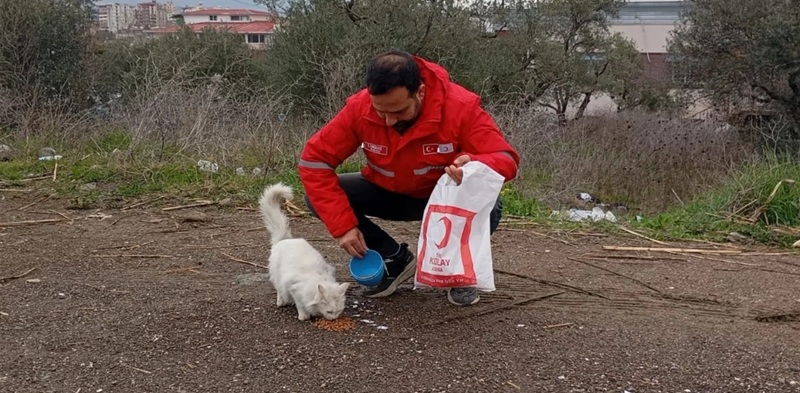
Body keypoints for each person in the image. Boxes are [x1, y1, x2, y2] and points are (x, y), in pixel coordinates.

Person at [298, 50, 520, 306]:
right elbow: (314, 161)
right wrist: (344, 226)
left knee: (490, 205)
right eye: (381, 112)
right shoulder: (359, 108)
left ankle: (456, 271)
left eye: (399, 111)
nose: (390, 121)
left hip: (442, 202)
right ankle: (395, 259)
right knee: (318, 200)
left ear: (421, 92)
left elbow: (506, 159)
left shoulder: (460, 107)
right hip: (387, 192)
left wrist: (476, 166)